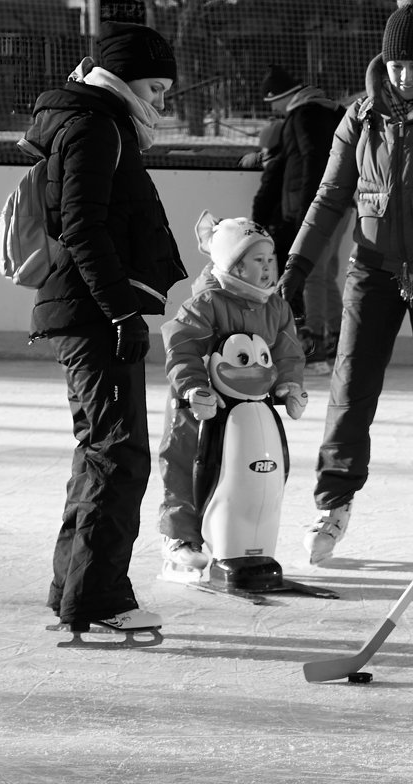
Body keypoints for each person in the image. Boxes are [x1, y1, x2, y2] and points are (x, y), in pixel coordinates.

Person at [276, 0, 413, 569]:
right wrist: (296, 268)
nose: (405, 75)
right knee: (350, 390)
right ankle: (333, 504)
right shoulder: (360, 117)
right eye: (397, 63)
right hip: (371, 269)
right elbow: (329, 197)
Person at [26, 22, 187, 632]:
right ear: (122, 78)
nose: (163, 101)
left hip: (87, 310)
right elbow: (82, 226)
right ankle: (98, 600)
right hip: (94, 314)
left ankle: (74, 589)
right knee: (118, 458)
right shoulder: (96, 126)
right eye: (155, 86)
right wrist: (120, 310)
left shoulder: (98, 121)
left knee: (102, 453)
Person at [157, 214, 306, 574]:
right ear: (235, 267)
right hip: (201, 407)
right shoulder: (206, 303)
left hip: (251, 408)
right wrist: (192, 387)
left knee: (253, 469)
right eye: (258, 261)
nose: (269, 269)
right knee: (187, 463)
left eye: (271, 260)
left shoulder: (276, 307)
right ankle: (180, 537)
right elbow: (182, 348)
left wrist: (289, 384)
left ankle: (241, 536)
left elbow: (288, 352)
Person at [250, 64, 348, 376]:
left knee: (315, 274)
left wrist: (309, 209)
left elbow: (312, 160)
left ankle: (317, 344)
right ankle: (340, 338)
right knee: (326, 272)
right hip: (339, 203)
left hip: (320, 206)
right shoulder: (323, 111)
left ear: (280, 97)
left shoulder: (305, 115)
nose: (274, 110)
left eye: (272, 103)